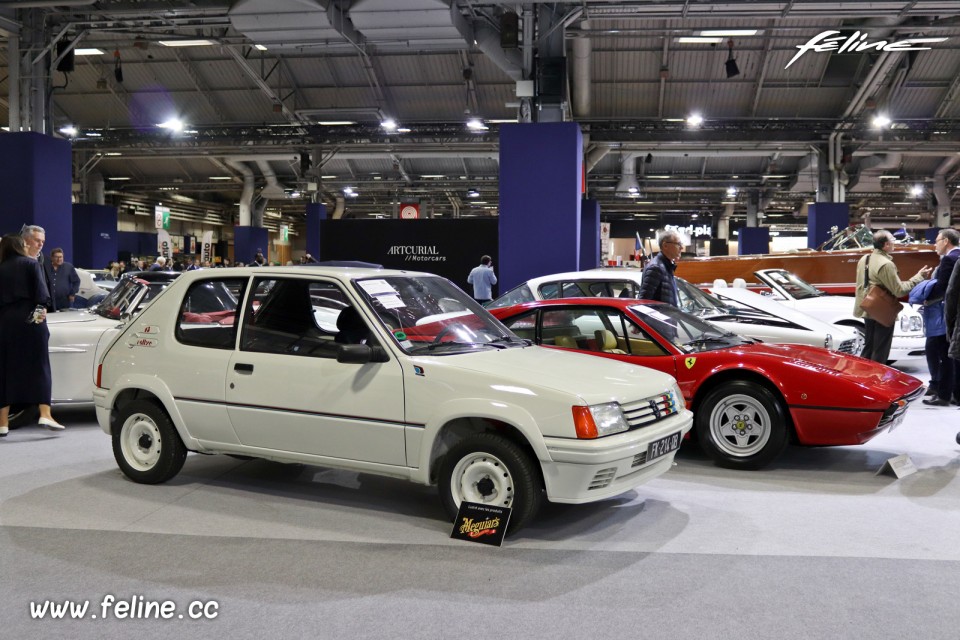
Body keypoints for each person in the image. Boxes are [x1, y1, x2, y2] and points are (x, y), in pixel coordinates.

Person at [0, 234, 65, 435]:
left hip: (5, 322)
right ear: (21, 246)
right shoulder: (31, 264)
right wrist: (37, 322)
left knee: (4, 371)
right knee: (40, 366)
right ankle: (45, 413)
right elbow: (42, 297)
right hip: (30, 319)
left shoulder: (1, 267)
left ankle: (2, 423)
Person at [854, 229, 932, 364]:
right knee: (880, 350)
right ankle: (876, 380)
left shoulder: (864, 259)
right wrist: (919, 277)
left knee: (869, 347)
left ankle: (863, 378)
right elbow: (899, 291)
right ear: (885, 245)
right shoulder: (886, 264)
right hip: (882, 310)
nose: (894, 243)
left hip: (867, 308)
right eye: (892, 240)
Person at [917, 229, 960, 406]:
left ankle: (944, 393)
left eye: (937, 241)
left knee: (943, 353)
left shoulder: (950, 259)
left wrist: (923, 295)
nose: (934, 244)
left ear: (946, 241)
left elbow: (947, 289)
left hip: (945, 314)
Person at [638, 230, 683, 305]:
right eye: (678, 244)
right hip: (660, 316)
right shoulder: (656, 268)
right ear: (665, 245)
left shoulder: (666, 266)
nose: (681, 247)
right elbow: (643, 302)